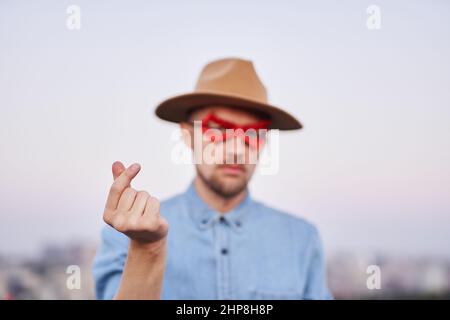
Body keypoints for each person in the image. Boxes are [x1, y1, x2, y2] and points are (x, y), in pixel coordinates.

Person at [92, 58, 332, 300]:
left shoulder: (302, 240)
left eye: (253, 134)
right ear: (187, 135)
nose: (237, 149)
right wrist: (146, 251)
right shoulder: (128, 234)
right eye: (218, 130)